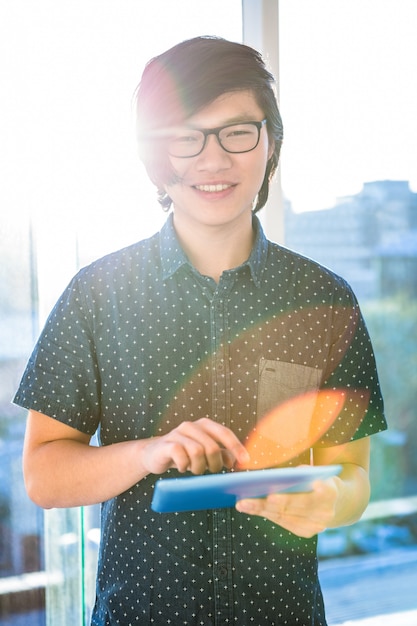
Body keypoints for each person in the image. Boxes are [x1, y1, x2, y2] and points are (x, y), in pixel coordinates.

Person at [15, 36, 387, 625]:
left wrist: (331, 500)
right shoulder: (96, 293)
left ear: (271, 141)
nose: (213, 160)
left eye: (237, 132)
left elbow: (354, 473)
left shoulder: (324, 298)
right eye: (186, 137)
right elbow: (42, 475)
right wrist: (148, 453)